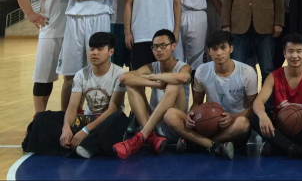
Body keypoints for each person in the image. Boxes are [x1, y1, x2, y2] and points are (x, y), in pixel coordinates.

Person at [23, 33, 126, 158]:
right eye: (92, 49)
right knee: (43, 117)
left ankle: (82, 144)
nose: (94, 53)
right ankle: (83, 145)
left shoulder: (119, 74)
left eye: (100, 49)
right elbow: (72, 106)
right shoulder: (81, 74)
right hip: (87, 119)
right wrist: (66, 128)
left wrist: (86, 130)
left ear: (111, 52)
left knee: (118, 120)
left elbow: (112, 109)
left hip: (107, 122)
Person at [163, 31, 257, 159]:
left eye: (223, 48)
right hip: (207, 122)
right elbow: (197, 102)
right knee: (170, 115)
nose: (219, 53)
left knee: (243, 124)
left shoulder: (247, 72)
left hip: (232, 126)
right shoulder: (202, 71)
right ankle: (212, 145)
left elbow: (253, 108)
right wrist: (192, 114)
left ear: (231, 48)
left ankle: (196, 143)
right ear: (209, 51)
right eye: (214, 49)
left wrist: (232, 117)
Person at [250, 33, 302, 160]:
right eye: (290, 51)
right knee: (254, 117)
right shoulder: (274, 76)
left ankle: (279, 146)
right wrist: (262, 116)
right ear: (284, 54)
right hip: (282, 126)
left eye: (299, 51)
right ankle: (297, 149)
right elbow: (258, 102)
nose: (295, 56)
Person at [112, 29, 191, 159]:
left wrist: (153, 76)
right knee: (132, 85)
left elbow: (183, 77)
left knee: (173, 84)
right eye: (155, 47)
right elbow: (124, 77)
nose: (158, 50)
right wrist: (156, 84)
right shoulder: (151, 67)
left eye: (163, 45)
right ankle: (149, 136)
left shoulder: (183, 67)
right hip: (154, 125)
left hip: (175, 123)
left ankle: (141, 136)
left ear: (173, 46)